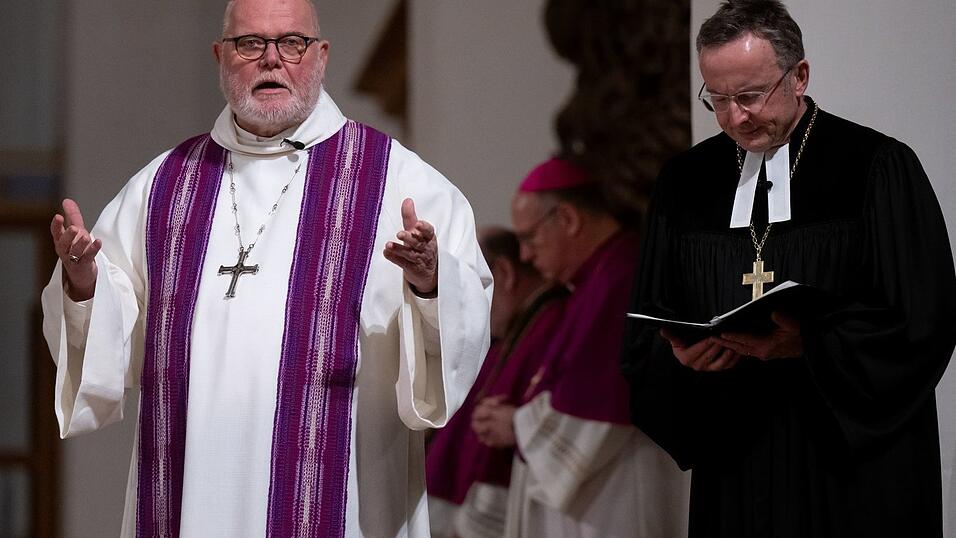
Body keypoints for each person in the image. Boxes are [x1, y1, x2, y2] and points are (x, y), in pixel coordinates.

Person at [41, 0, 492, 536]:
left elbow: (465, 328)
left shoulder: (399, 183)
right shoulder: (162, 185)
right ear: (220, 56)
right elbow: (110, 334)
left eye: (292, 43)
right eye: (250, 43)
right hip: (188, 491)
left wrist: (431, 282)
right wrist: (83, 283)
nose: (271, 60)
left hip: (343, 497)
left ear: (320, 54)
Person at [622, 1, 956, 537]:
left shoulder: (875, 166)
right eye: (719, 100)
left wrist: (811, 343)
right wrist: (680, 358)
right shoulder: (684, 184)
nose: (735, 117)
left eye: (750, 96)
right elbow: (645, 330)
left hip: (849, 465)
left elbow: (921, 320)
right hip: (737, 459)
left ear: (799, 76)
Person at [484, 158, 689, 537]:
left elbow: (595, 407)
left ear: (567, 219)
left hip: (620, 487)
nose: (526, 255)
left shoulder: (618, 279)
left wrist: (517, 424)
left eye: (529, 238)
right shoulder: (591, 282)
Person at [426, 227, 567, 538]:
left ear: (504, 272)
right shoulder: (514, 333)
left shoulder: (549, 324)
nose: (462, 309)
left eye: (468, 291)